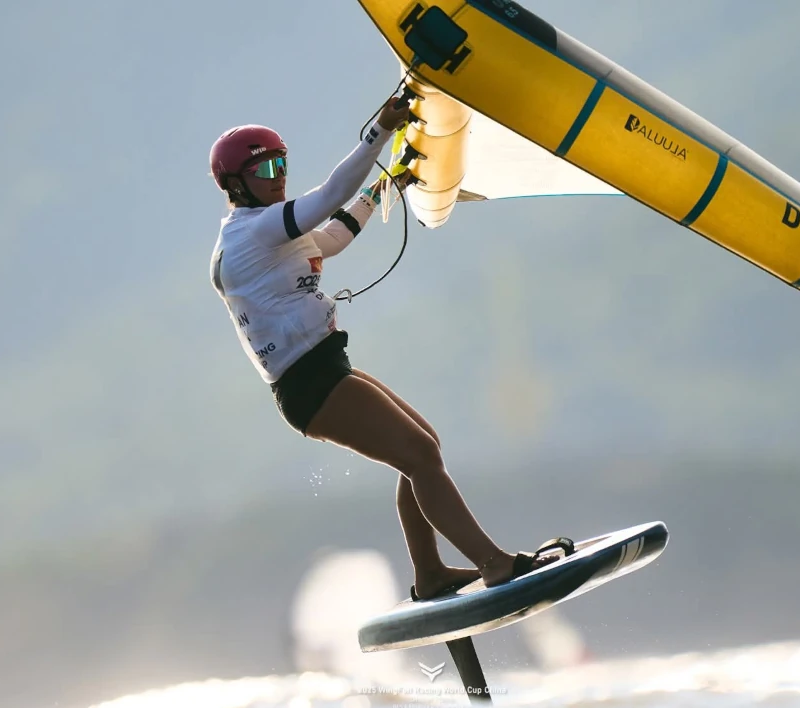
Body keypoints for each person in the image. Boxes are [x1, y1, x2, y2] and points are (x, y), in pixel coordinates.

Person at [207, 97, 567, 600]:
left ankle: (431, 573)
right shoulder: (254, 231)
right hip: (308, 382)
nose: (279, 175)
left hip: (325, 367)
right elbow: (329, 196)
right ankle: (494, 563)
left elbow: (333, 237)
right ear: (236, 185)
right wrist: (380, 131)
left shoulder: (268, 232)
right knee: (419, 454)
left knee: (424, 446)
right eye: (266, 169)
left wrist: (387, 185)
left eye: (282, 162)